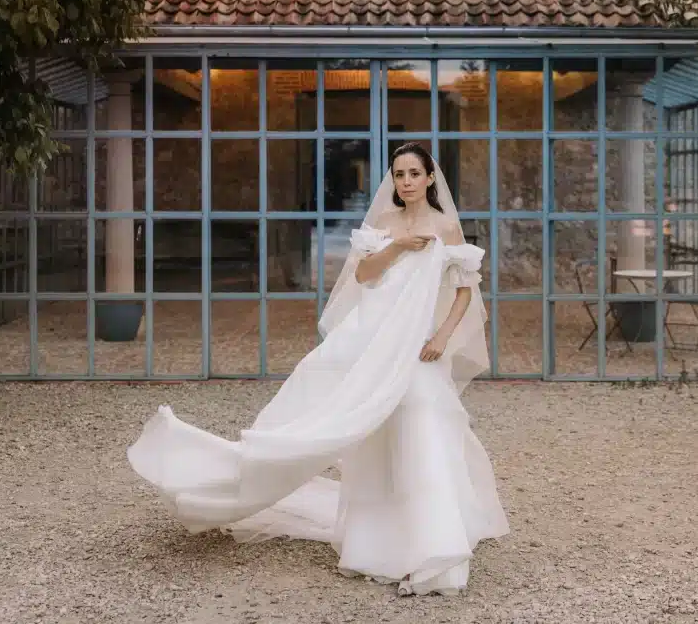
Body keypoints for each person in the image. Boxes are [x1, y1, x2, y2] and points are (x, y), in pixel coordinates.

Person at [127, 142, 509, 596]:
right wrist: (400, 246)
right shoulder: (384, 224)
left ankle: (435, 550)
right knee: (364, 432)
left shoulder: (445, 225)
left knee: (423, 426)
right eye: (399, 174)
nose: (405, 182)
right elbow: (364, 276)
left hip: (418, 349)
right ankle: (376, 544)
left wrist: (442, 336)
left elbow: (464, 287)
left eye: (413, 174)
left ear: (430, 178)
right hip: (374, 342)